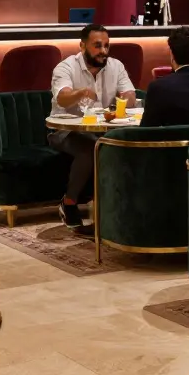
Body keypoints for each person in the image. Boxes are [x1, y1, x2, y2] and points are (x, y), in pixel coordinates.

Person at [49, 23, 136, 231]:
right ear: (82, 46)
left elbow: (130, 95)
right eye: (97, 46)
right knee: (91, 147)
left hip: (104, 131)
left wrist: (123, 101)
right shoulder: (66, 67)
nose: (103, 51)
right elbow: (62, 97)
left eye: (106, 46)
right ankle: (69, 203)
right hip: (65, 131)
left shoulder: (116, 66)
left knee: (120, 145)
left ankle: (114, 208)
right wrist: (81, 92)